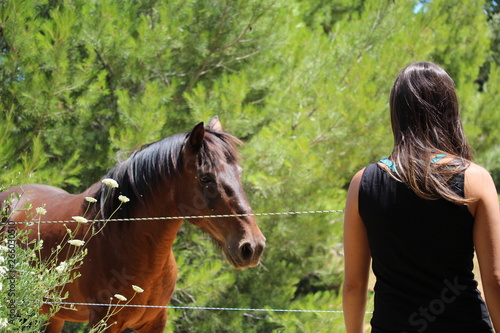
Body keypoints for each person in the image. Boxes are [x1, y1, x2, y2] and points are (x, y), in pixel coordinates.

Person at [342, 61, 500, 333]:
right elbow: (495, 280)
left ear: (397, 113)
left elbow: (354, 285)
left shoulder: (362, 183)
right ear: (450, 110)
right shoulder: (475, 179)